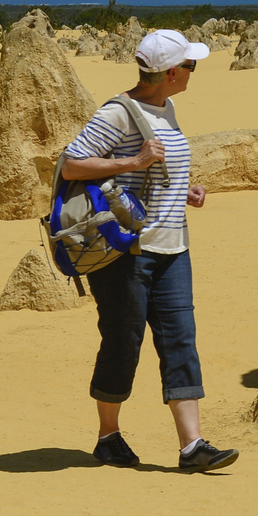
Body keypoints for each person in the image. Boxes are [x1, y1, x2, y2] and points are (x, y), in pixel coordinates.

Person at [60, 29, 239, 472]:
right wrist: (132, 162)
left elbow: (163, 176)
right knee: (123, 343)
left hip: (173, 247)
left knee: (180, 340)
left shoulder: (167, 107)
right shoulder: (119, 113)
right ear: (172, 71)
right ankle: (108, 436)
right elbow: (71, 163)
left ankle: (192, 445)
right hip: (126, 252)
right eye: (191, 66)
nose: (194, 72)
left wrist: (186, 193)